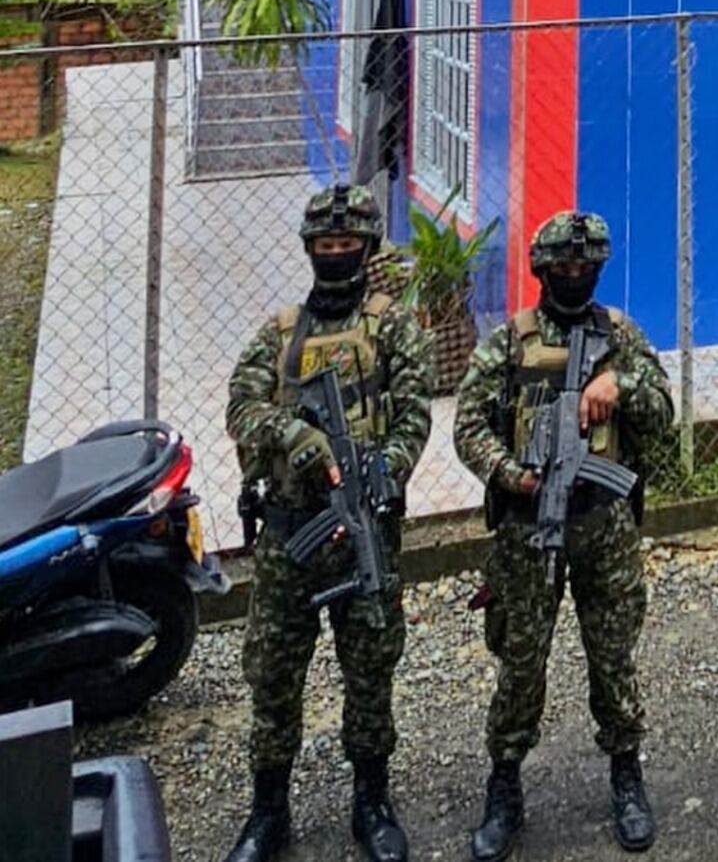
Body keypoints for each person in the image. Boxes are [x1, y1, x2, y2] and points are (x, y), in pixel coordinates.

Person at [454, 210, 675, 859]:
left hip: (604, 522)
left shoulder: (620, 335)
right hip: (528, 529)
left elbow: (662, 411)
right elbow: (468, 427)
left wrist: (620, 384)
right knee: (522, 661)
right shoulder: (510, 342)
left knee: (613, 657)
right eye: (564, 266)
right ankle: (504, 783)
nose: (575, 274)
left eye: (586, 266)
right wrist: (511, 475)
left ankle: (626, 773)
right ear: (542, 270)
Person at [225, 184, 435, 862]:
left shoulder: (393, 328)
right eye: (326, 245)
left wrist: (381, 473)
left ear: (366, 249)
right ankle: (268, 811)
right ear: (310, 249)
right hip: (290, 533)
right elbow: (241, 407)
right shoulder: (282, 332)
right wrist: (295, 437)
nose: (336, 254)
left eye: (347, 245)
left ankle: (372, 801)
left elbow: (415, 414)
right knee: (273, 674)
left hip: (363, 526)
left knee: (370, 668)